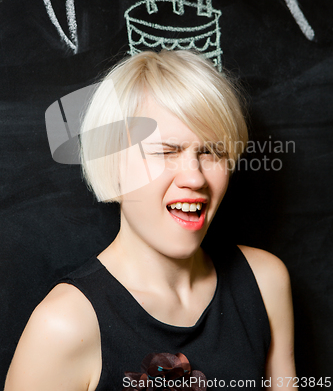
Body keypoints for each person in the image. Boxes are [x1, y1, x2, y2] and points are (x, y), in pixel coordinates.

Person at [4, 50, 297, 391]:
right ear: (113, 166)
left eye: (211, 151)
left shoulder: (265, 282)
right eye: (166, 151)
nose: (195, 178)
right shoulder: (65, 326)